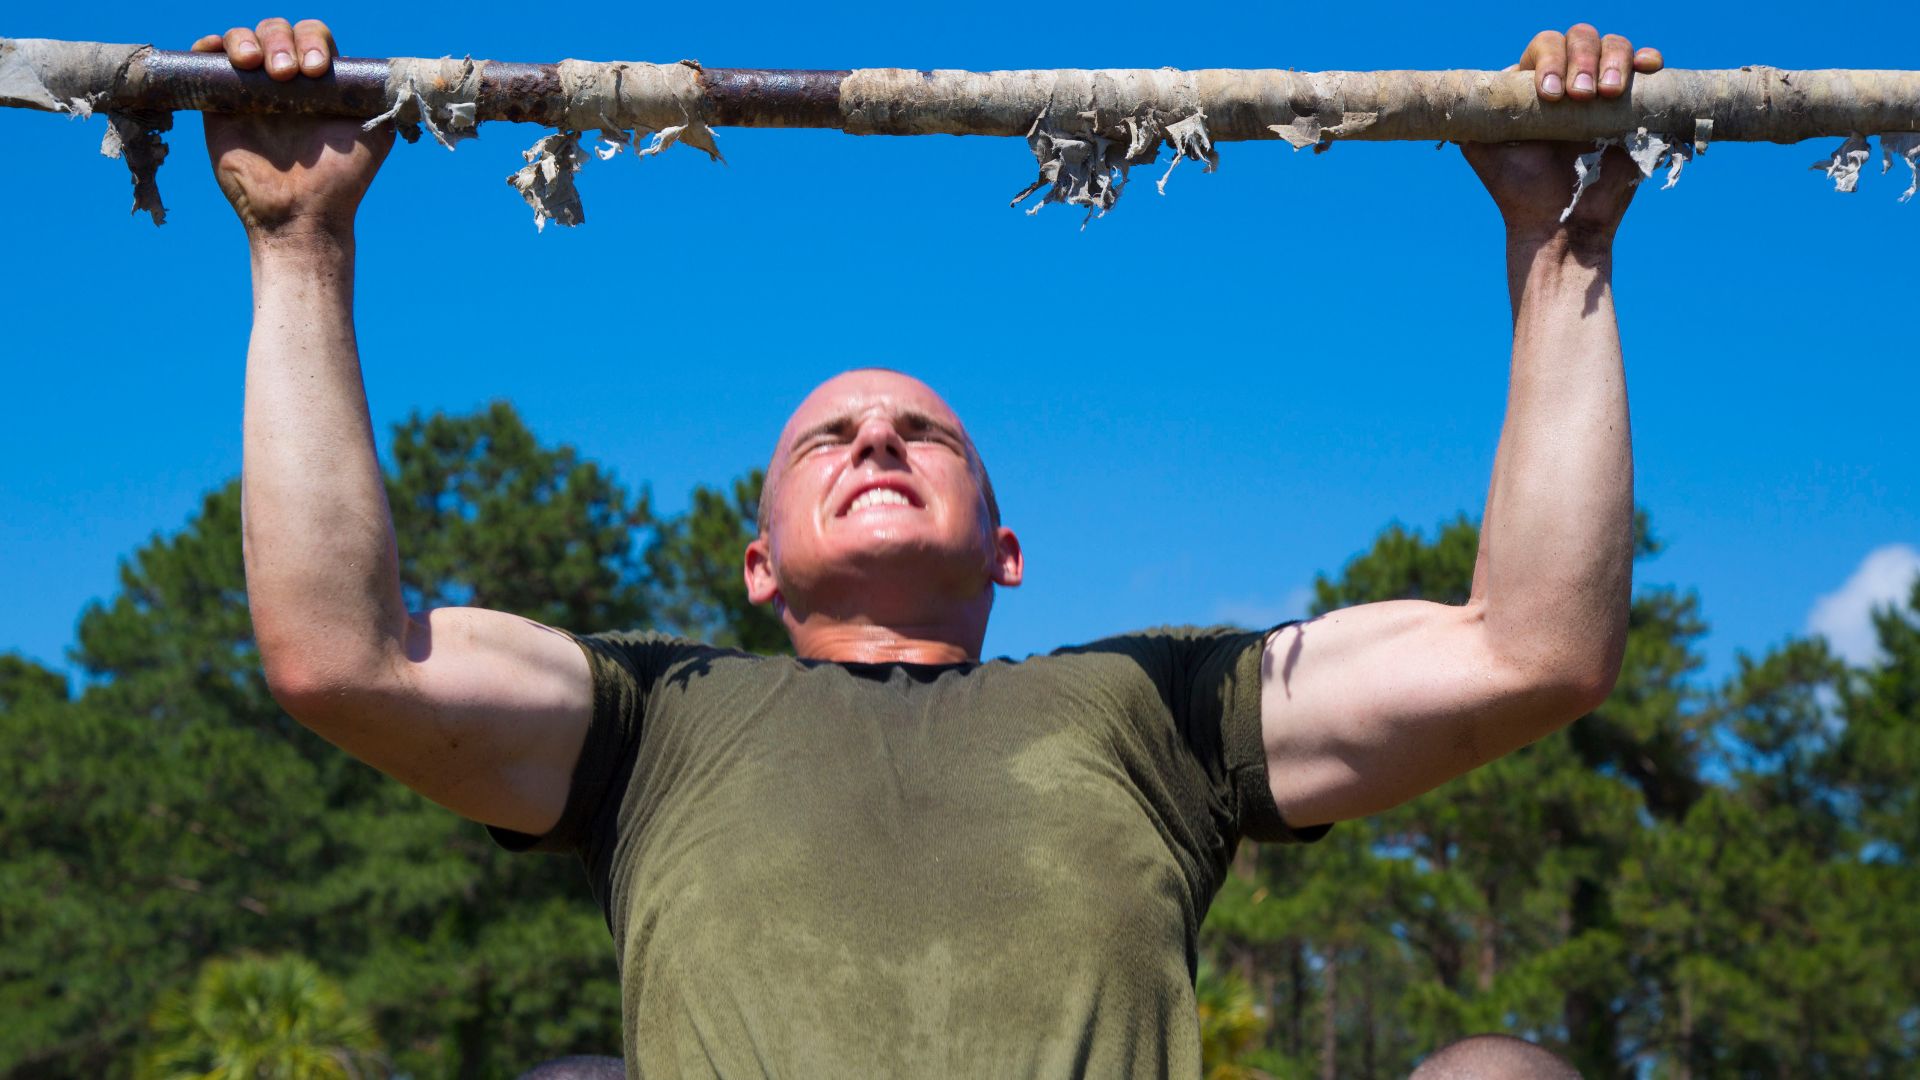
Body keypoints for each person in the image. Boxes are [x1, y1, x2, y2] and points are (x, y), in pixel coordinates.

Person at [195, 16, 1660, 1076]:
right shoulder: (658, 720)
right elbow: (344, 657)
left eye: (922, 434)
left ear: (1004, 550)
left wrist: (1563, 248)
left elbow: (1531, 651)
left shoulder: (1153, 707)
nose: (878, 441)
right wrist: (301, 249)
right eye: (827, 441)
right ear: (757, 561)